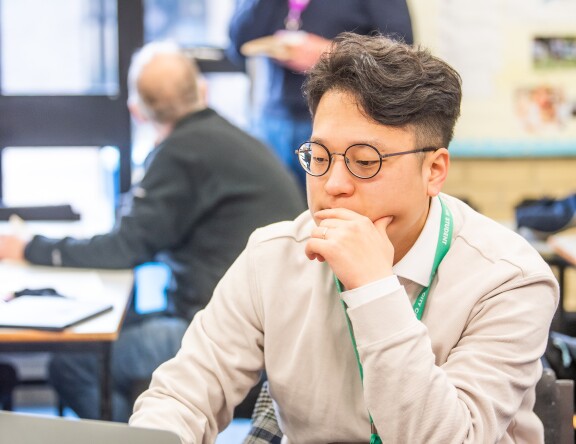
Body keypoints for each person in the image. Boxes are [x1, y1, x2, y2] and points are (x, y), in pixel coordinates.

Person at [129, 33, 558, 443]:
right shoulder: (274, 255)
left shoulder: (510, 279)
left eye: (365, 160)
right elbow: (184, 395)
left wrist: (374, 289)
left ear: (434, 171)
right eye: (319, 156)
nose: (333, 184)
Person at [0, 41, 305, 422]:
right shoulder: (228, 138)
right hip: (271, 326)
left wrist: (28, 247)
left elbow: (123, 248)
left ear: (137, 112)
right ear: (202, 91)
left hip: (226, 329)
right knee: (124, 326)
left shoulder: (181, 152)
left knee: (73, 363)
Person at [227, 0, 414, 188]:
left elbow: (401, 49)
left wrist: (334, 54)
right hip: (273, 120)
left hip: (341, 119)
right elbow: (238, 44)